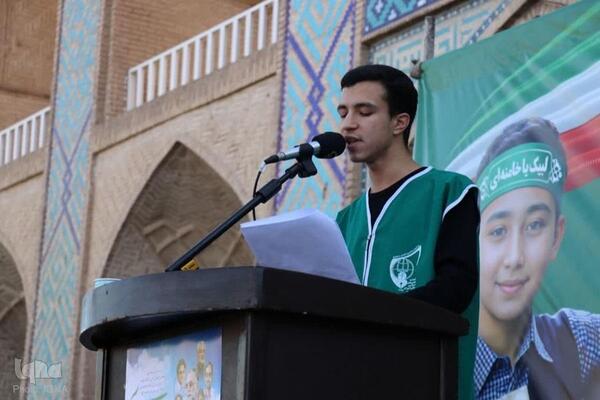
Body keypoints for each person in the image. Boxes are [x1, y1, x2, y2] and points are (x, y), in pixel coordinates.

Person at [335, 64, 480, 399]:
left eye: (364, 112)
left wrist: (372, 315)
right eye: (343, 113)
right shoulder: (344, 221)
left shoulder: (449, 192)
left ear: (399, 122)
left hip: (425, 381)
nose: (348, 124)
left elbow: (455, 288)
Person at [474, 117, 600, 399]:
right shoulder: (440, 359)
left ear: (556, 236)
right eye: (498, 231)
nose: (514, 257)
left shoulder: (581, 342)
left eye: (534, 226)